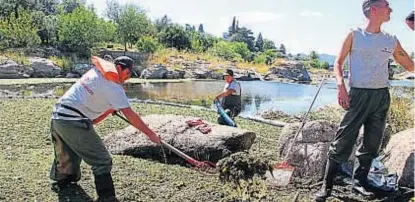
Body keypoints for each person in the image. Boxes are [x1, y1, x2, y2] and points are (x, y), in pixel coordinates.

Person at [314, 1, 414, 201]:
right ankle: (327, 186)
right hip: (358, 95)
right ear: (374, 10)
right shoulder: (355, 35)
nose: (391, 9)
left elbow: (410, 65)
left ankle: (359, 183)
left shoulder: (391, 40)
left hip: (381, 96)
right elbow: (338, 62)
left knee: (372, 143)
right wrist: (341, 86)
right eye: (386, 5)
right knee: (343, 140)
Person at [49, 56, 161, 201]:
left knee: (69, 154)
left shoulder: (95, 73)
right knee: (102, 160)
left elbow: (92, 120)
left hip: (58, 118)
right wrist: (150, 134)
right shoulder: (113, 86)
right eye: (127, 73)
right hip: (73, 120)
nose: (127, 78)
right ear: (119, 68)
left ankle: (63, 183)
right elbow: (130, 114)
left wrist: (109, 110)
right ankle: (106, 198)